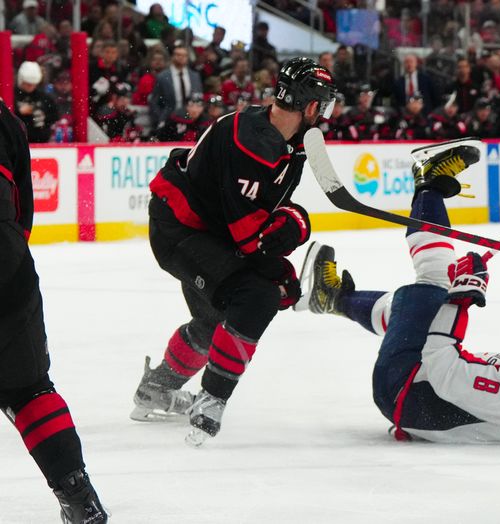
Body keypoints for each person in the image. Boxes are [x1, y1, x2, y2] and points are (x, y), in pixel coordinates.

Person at [294, 144, 500, 444]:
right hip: (419, 388)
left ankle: (429, 184)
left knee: (434, 283)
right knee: (416, 311)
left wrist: (461, 298)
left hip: (404, 388)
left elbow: (442, 364)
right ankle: (331, 298)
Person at [131, 57, 337, 446]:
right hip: (182, 230)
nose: (324, 113)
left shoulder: (286, 140)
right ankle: (211, 400)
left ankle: (154, 390)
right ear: (310, 106)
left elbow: (269, 210)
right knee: (255, 296)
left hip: (208, 229)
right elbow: (247, 238)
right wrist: (280, 272)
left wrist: (293, 219)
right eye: (322, 104)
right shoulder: (253, 143)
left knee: (212, 321)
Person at [0, 99, 107, 523]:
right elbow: (24, 210)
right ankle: (81, 499)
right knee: (29, 389)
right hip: (7, 260)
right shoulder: (4, 117)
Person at [149, 45, 203, 129]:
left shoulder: (195, 76)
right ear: (172, 56)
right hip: (168, 119)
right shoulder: (162, 77)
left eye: (184, 55)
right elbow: (154, 102)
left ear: (187, 57)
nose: (181, 58)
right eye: (178, 55)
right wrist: (160, 119)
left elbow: (198, 97)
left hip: (191, 120)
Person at [14, 61, 58, 143]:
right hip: (18, 141)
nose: (30, 87)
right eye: (27, 84)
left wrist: (43, 117)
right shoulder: (13, 96)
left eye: (33, 84)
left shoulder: (44, 97)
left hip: (41, 141)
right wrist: (18, 112)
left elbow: (55, 116)